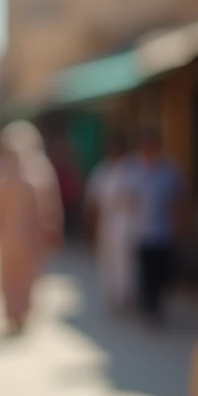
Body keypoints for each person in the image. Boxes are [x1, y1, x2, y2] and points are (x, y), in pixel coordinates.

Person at [0, 121, 63, 334]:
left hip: (30, 237)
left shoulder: (39, 167)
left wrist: (51, 229)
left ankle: (22, 314)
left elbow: (50, 204)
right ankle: (12, 314)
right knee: (8, 277)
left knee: (28, 277)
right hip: (5, 237)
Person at [128, 130, 185, 324]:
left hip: (163, 232)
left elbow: (178, 201)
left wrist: (179, 227)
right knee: (146, 274)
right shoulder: (133, 171)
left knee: (162, 273)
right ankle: (149, 307)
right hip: (142, 233)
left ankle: (158, 304)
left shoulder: (169, 171)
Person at [84, 133, 137, 313]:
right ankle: (114, 297)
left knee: (127, 264)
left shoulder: (132, 170)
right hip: (106, 226)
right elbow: (93, 202)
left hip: (128, 226)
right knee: (108, 263)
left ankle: (127, 298)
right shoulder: (102, 170)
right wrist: (91, 230)